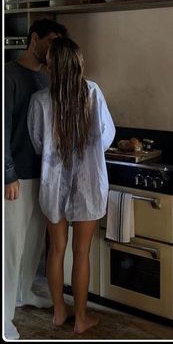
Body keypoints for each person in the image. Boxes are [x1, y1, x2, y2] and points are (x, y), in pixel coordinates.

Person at [27, 37, 116, 334]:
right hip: (89, 184)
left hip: (54, 185)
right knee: (82, 252)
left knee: (56, 251)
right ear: (77, 63)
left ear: (53, 66)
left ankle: (58, 313)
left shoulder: (40, 99)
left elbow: (38, 144)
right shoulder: (92, 92)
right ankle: (80, 319)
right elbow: (106, 136)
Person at [4, 18, 68, 340]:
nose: (54, 50)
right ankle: (3, 316)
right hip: (14, 178)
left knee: (31, 245)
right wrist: (7, 174)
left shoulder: (44, 80)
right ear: (34, 39)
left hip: (42, 177)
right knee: (10, 247)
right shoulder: (8, 75)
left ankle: (24, 293)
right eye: (51, 42)